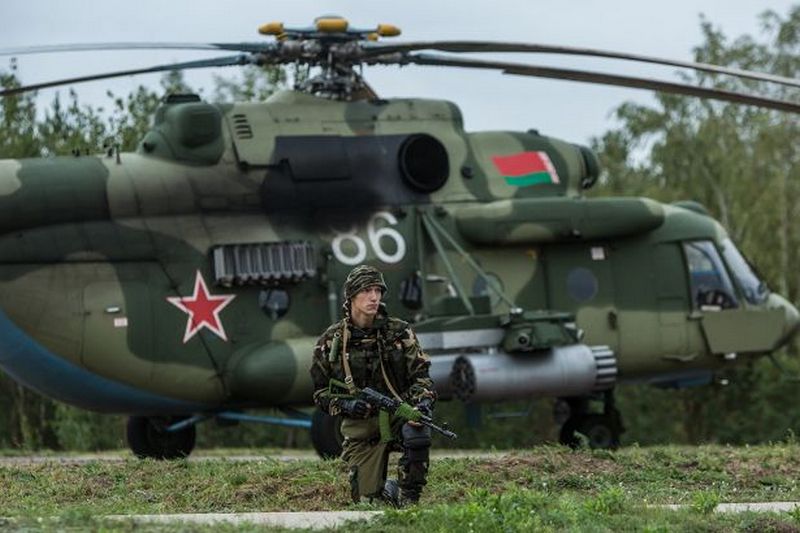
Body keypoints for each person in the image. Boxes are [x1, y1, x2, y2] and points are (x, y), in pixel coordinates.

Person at [310, 265, 436, 506]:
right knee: (368, 503)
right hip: (362, 427)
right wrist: (346, 405)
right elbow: (320, 392)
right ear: (351, 296)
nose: (374, 297)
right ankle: (388, 490)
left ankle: (409, 496)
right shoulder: (331, 340)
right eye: (367, 290)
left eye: (378, 290)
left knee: (417, 433)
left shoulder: (400, 332)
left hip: (398, 412)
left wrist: (423, 404)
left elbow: (422, 377)